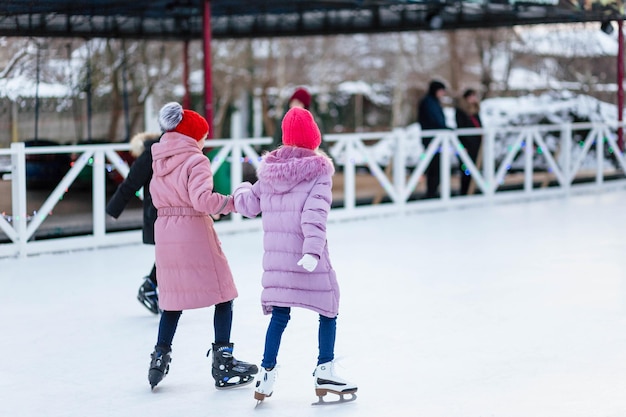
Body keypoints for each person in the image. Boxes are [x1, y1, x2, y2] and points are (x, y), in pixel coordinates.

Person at [234, 107, 357, 404]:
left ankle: (266, 373)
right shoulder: (318, 173)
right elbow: (314, 217)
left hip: (278, 262)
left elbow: (248, 205)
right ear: (314, 138)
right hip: (307, 256)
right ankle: (325, 370)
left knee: (279, 315)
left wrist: (239, 188)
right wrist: (313, 252)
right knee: (329, 308)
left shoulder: (270, 172)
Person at [146, 102, 258, 390]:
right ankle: (223, 361)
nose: (205, 142)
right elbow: (201, 200)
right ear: (194, 136)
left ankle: (159, 356)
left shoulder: (159, 160)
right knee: (224, 293)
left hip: (166, 232)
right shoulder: (196, 160)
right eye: (204, 136)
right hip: (193, 231)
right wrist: (232, 202)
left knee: (172, 299)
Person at [106, 131, 161, 314]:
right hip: (158, 212)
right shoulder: (153, 152)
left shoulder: (185, 150)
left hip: (178, 213)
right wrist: (114, 209)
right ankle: (151, 286)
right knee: (173, 253)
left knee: (177, 253)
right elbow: (132, 181)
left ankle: (153, 286)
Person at [417, 80, 449, 198]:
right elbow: (434, 119)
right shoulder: (429, 102)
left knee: (436, 166)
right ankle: (431, 192)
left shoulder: (433, 102)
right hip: (432, 139)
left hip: (436, 138)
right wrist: (444, 128)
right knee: (433, 166)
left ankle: (433, 190)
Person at [454, 88, 483, 196]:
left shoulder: (476, 110)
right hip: (466, 145)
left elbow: (479, 125)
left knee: (475, 168)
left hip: (476, 144)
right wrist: (463, 145)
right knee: (466, 169)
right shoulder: (461, 111)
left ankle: (472, 191)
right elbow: (460, 128)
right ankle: (465, 192)